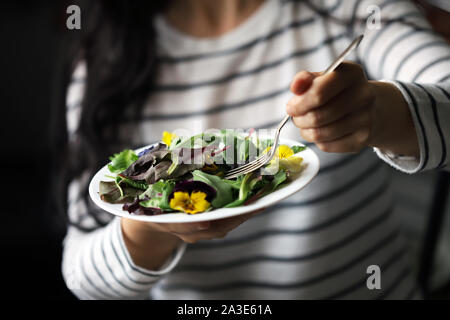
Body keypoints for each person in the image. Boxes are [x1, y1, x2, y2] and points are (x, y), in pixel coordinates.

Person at [61, 0, 450, 299]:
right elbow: (82, 277)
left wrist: (380, 113)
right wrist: (153, 225)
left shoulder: (352, 9)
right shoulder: (110, 59)